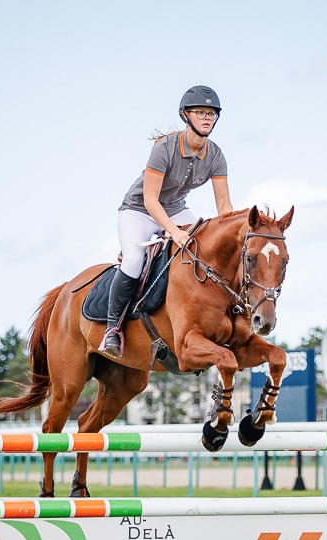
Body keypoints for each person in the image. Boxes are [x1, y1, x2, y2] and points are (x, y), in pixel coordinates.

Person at [99, 85, 232, 358]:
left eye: (212, 113)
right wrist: (173, 232)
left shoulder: (216, 156)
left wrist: (231, 235)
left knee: (205, 249)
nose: (207, 118)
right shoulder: (164, 148)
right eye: (201, 112)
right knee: (134, 261)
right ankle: (113, 330)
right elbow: (150, 200)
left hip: (175, 210)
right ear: (186, 115)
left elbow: (224, 206)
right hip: (138, 211)